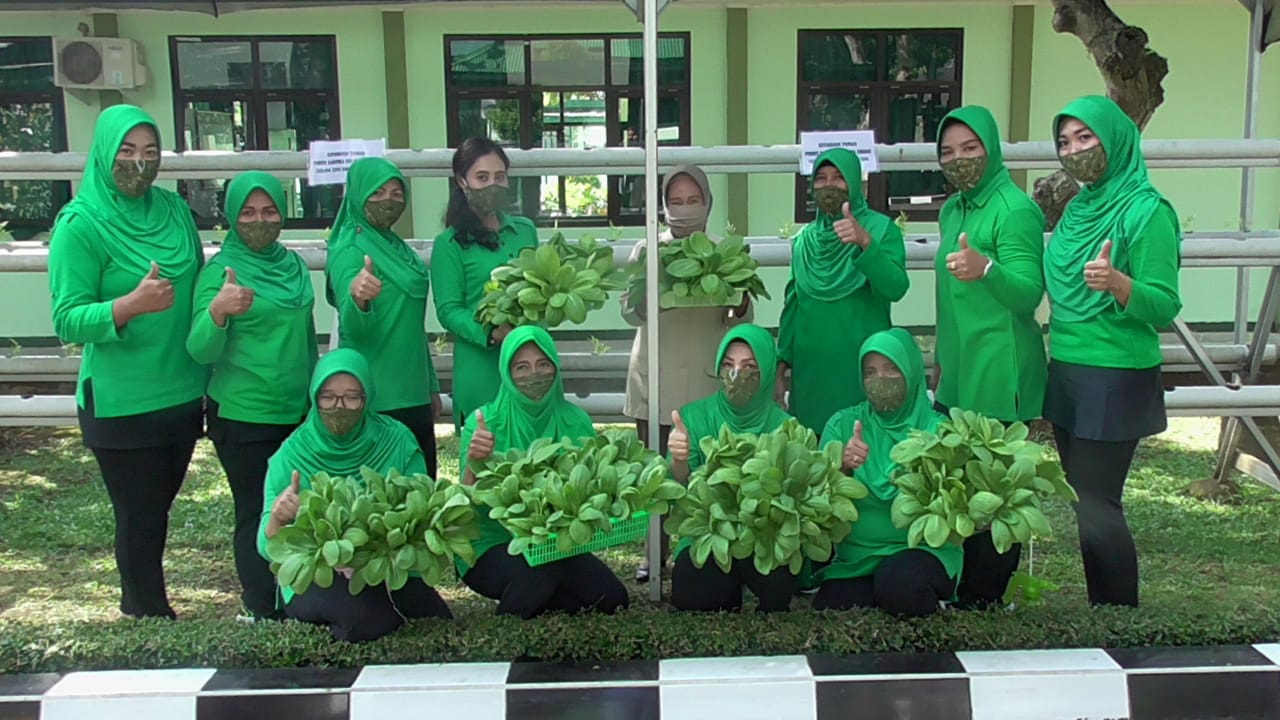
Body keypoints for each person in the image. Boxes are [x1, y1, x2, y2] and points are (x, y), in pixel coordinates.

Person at [49, 104, 205, 620]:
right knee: (138, 514)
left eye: (150, 152)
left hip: (181, 389)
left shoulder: (174, 210)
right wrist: (128, 306)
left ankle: (147, 603)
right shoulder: (81, 224)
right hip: (120, 399)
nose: (139, 163)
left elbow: (196, 281)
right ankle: (146, 611)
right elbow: (67, 318)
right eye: (127, 152)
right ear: (104, 153)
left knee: (157, 510)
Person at [1043, 95, 1181, 608]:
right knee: (1083, 501)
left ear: (1115, 139)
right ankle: (1103, 608)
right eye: (1065, 141)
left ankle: (1120, 616)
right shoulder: (1079, 207)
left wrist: (1122, 284)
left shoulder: (1147, 211)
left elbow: (1164, 305)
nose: (1075, 150)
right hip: (1069, 367)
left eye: (1086, 137)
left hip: (1115, 373)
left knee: (1099, 503)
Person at [187, 171, 316, 621]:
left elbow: (305, 338)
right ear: (231, 217)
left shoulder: (294, 266)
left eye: (269, 211)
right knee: (255, 510)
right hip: (244, 415)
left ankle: (297, 596)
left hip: (296, 412)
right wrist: (218, 312)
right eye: (248, 212)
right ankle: (261, 605)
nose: (260, 220)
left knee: (296, 506)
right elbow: (199, 348)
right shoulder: (221, 272)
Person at [933, 105, 1048, 609]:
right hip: (959, 364)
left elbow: (1028, 296)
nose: (959, 160)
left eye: (970, 148)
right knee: (959, 481)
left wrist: (987, 270)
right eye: (948, 152)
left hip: (1002, 367)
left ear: (992, 148)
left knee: (996, 489)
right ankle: (964, 583)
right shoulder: (952, 209)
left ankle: (985, 594)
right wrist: (940, 358)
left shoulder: (1015, 209)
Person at [259, 348, 452, 642]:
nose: (340, 407)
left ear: (367, 397)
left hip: (386, 568)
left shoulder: (397, 441)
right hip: (318, 573)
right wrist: (278, 519)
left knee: (436, 619)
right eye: (328, 397)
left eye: (352, 396)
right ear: (314, 397)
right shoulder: (291, 454)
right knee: (369, 620)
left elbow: (421, 510)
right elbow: (266, 544)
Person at [620, 164, 752, 582]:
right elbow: (627, 310)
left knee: (707, 471)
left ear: (708, 203)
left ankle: (703, 551)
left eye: (693, 200)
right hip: (654, 378)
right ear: (662, 206)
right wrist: (652, 296)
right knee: (655, 473)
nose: (684, 209)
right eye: (675, 201)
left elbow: (743, 319)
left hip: (706, 381)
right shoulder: (646, 250)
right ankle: (653, 555)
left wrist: (740, 297)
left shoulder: (726, 252)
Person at [458, 326, 630, 619]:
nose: (533, 375)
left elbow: (590, 491)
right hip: (492, 544)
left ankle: (553, 600)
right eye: (521, 367)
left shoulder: (575, 420)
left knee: (613, 599)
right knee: (541, 574)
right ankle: (511, 624)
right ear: (506, 372)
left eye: (543, 364)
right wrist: (474, 461)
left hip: (556, 545)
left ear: (555, 367)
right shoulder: (485, 422)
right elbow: (465, 504)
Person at [814, 328, 962, 617]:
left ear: (911, 371)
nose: (879, 380)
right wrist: (842, 467)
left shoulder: (941, 431)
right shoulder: (843, 425)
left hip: (924, 551)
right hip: (858, 556)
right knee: (832, 605)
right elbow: (820, 501)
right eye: (870, 372)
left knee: (901, 585)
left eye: (891, 370)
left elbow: (956, 505)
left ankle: (923, 591)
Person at [325, 157, 442, 478]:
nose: (388, 201)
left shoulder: (396, 246)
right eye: (376, 193)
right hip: (377, 398)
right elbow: (352, 327)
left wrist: (430, 384)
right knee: (383, 505)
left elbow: (413, 326)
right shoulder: (350, 247)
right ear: (358, 195)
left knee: (421, 497)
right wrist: (357, 298)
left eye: (396, 193)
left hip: (413, 392)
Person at [778, 148, 908, 434]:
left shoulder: (880, 228)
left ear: (854, 183)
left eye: (838, 178)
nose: (828, 185)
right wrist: (780, 368)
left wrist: (865, 243)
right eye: (821, 178)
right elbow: (792, 307)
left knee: (860, 450)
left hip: (860, 369)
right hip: (811, 373)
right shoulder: (804, 241)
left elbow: (896, 287)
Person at [668, 324, 796, 613]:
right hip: (708, 536)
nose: (737, 374)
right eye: (728, 365)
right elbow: (677, 489)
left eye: (750, 366)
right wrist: (678, 460)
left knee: (777, 589)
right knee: (697, 595)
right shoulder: (693, 416)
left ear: (766, 371)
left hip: (763, 537)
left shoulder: (785, 426)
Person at [433, 138, 539, 432]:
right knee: (484, 459)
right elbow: (449, 310)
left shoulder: (524, 231)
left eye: (499, 177)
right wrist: (492, 332)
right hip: (480, 365)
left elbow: (543, 287)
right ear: (461, 182)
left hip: (530, 357)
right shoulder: (449, 244)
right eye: (482, 177)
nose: (492, 185)